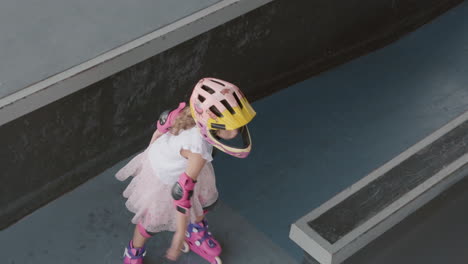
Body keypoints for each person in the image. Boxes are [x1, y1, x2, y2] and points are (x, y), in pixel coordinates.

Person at [116, 77, 256, 264]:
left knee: (203, 204)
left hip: (184, 168)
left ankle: (195, 228)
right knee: (150, 223)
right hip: (166, 178)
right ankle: (134, 250)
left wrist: (150, 150)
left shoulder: (189, 113)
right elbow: (182, 196)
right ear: (210, 124)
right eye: (230, 128)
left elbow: (162, 126)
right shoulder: (198, 151)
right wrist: (178, 237)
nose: (236, 133)